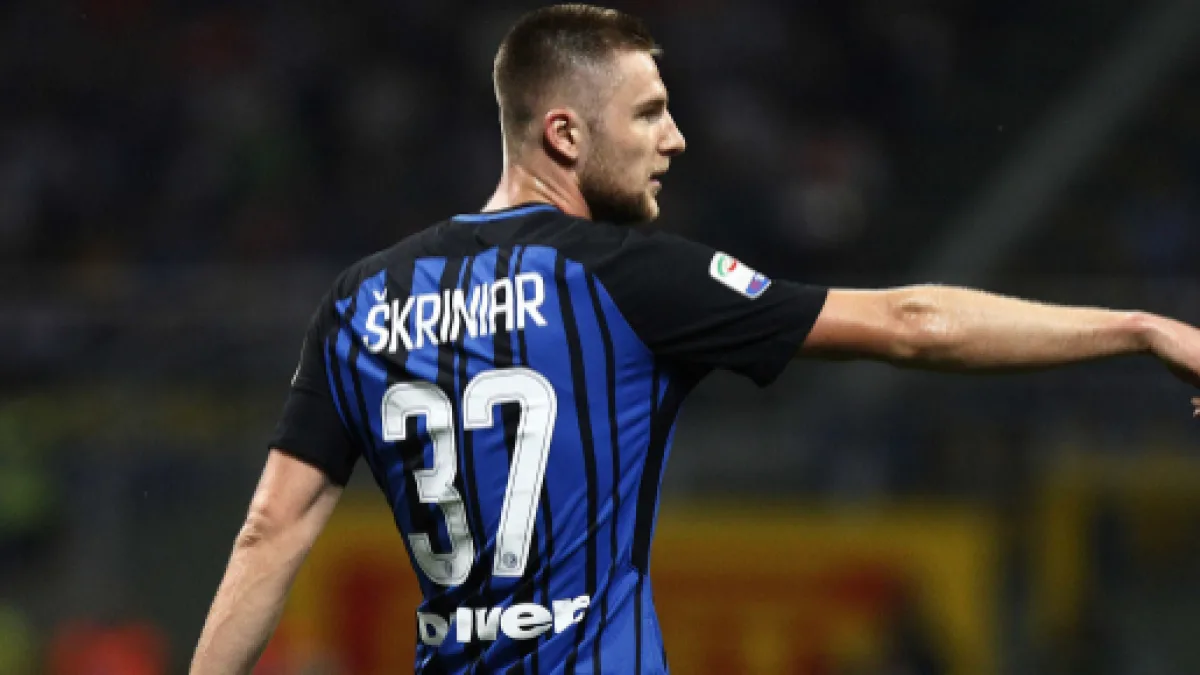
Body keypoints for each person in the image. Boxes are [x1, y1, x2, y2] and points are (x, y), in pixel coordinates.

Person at [189, 5, 1200, 674]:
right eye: (650, 114)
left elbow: (268, 532)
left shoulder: (362, 300)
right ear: (565, 134)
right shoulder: (630, 278)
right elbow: (913, 323)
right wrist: (1141, 327)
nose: (674, 138)